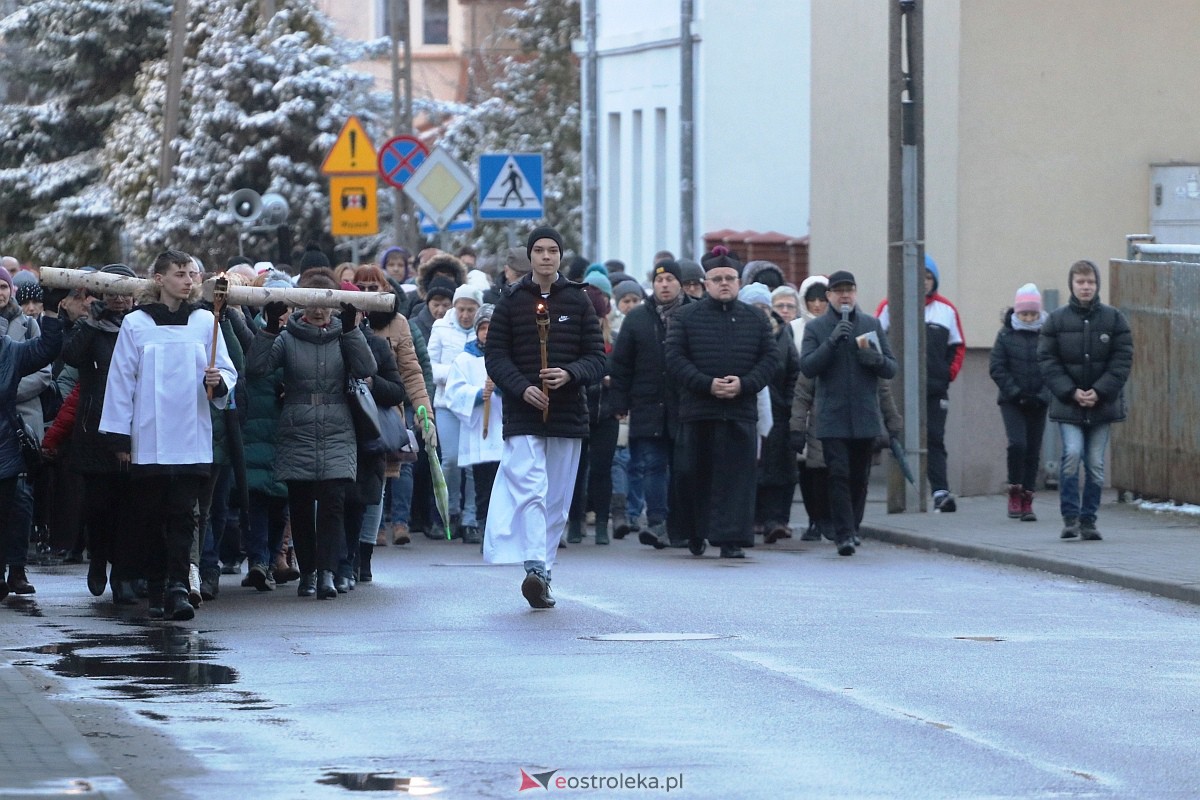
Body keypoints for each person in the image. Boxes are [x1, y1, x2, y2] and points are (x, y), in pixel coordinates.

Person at [99, 250, 238, 620]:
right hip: (150, 436)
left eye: (191, 274)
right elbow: (121, 381)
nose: (188, 281)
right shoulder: (137, 323)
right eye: (180, 274)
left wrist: (218, 381)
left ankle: (178, 586)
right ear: (159, 279)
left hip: (191, 434)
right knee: (150, 516)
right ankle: (157, 584)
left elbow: (226, 370)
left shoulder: (205, 321)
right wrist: (119, 436)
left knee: (183, 515)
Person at [483, 226, 606, 608]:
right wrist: (522, 388)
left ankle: (545, 573)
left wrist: (570, 374)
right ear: (531, 256)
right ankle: (534, 565)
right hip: (523, 413)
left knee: (556, 497)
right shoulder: (511, 300)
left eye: (553, 250)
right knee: (530, 487)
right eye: (539, 250)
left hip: (567, 413)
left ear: (560, 256)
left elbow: (597, 357)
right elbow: (496, 357)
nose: (546, 256)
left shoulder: (578, 300)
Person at [247, 267, 377, 600]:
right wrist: (268, 329)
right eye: (312, 302)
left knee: (333, 503)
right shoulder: (287, 337)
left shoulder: (343, 335)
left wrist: (351, 330)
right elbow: (257, 369)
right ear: (302, 302)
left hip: (337, 427)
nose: (318, 310)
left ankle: (328, 573)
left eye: (325, 303)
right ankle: (308, 572)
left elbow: (366, 368)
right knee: (301, 504)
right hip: (297, 427)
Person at [665, 247, 779, 559]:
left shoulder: (756, 318)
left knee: (737, 480)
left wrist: (745, 384)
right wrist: (707, 384)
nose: (724, 283)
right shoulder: (685, 317)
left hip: (739, 411)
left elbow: (770, 359)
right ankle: (695, 532)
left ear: (739, 282)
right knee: (693, 474)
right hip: (699, 410)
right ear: (706, 284)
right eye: (717, 279)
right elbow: (674, 358)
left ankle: (732, 539)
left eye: (730, 278)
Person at [800, 270, 897, 556]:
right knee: (838, 475)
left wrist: (876, 359)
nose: (845, 296)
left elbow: (891, 368)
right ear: (829, 295)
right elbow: (808, 367)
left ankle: (853, 527)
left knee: (859, 478)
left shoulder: (870, 324)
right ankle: (842, 534)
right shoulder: (817, 328)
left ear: (855, 293)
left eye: (849, 290)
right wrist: (831, 342)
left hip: (864, 415)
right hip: (832, 417)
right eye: (839, 291)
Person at [1038, 260, 1133, 541]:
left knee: (1095, 463)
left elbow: (1122, 360)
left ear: (1097, 284)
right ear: (1072, 285)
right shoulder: (1056, 321)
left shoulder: (1114, 320)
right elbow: (1047, 361)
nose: (1086, 287)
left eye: (1090, 282)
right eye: (1080, 282)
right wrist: (1071, 391)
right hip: (1069, 404)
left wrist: (1100, 391)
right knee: (1072, 454)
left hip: (1102, 405)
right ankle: (1070, 518)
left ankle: (1088, 520)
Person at [609, 259, 692, 549]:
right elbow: (621, 365)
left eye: (670, 279)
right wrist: (619, 402)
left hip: (686, 406)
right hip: (647, 405)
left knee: (683, 467)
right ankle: (656, 522)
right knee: (653, 465)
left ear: (680, 283)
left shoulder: (694, 312)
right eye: (659, 281)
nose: (664, 285)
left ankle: (682, 524)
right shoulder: (637, 318)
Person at [876, 254, 965, 512]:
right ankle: (903, 493)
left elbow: (957, 347)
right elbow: (874, 340)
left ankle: (940, 492)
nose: (923, 282)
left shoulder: (946, 310)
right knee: (899, 437)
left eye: (928, 277)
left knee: (935, 438)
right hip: (898, 388)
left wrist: (947, 374)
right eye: (919, 277)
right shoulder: (890, 306)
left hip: (935, 389)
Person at [0, 278, 63, 600]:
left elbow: (45, 353)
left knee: (12, 508)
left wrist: (51, 311)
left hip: (8, 442)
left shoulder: (9, 346)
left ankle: (12, 569)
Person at [989, 283, 1052, 522]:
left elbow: (1053, 367)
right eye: (1024, 314)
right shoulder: (1006, 335)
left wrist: (1043, 394)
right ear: (1017, 312)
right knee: (1018, 444)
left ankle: (1028, 497)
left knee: (1033, 450)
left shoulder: (1047, 336)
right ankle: (1014, 489)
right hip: (1012, 401)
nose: (1028, 318)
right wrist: (1016, 393)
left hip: (1038, 401)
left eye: (1032, 314)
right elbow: (997, 367)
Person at [443, 304, 503, 545]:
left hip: (502, 429)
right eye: (483, 328)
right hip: (481, 431)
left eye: (492, 328)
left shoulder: (506, 358)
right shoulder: (464, 359)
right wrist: (478, 394)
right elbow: (454, 393)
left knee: (502, 484)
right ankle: (484, 526)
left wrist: (502, 388)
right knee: (482, 484)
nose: (487, 333)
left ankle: (500, 530)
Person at [429, 284, 482, 539]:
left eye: (471, 310)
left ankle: (470, 517)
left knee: (472, 463)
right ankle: (449, 511)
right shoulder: (441, 327)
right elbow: (430, 366)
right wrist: (457, 374)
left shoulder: (484, 330)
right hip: (447, 403)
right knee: (450, 459)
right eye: (461, 309)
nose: (465, 315)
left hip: (474, 404)